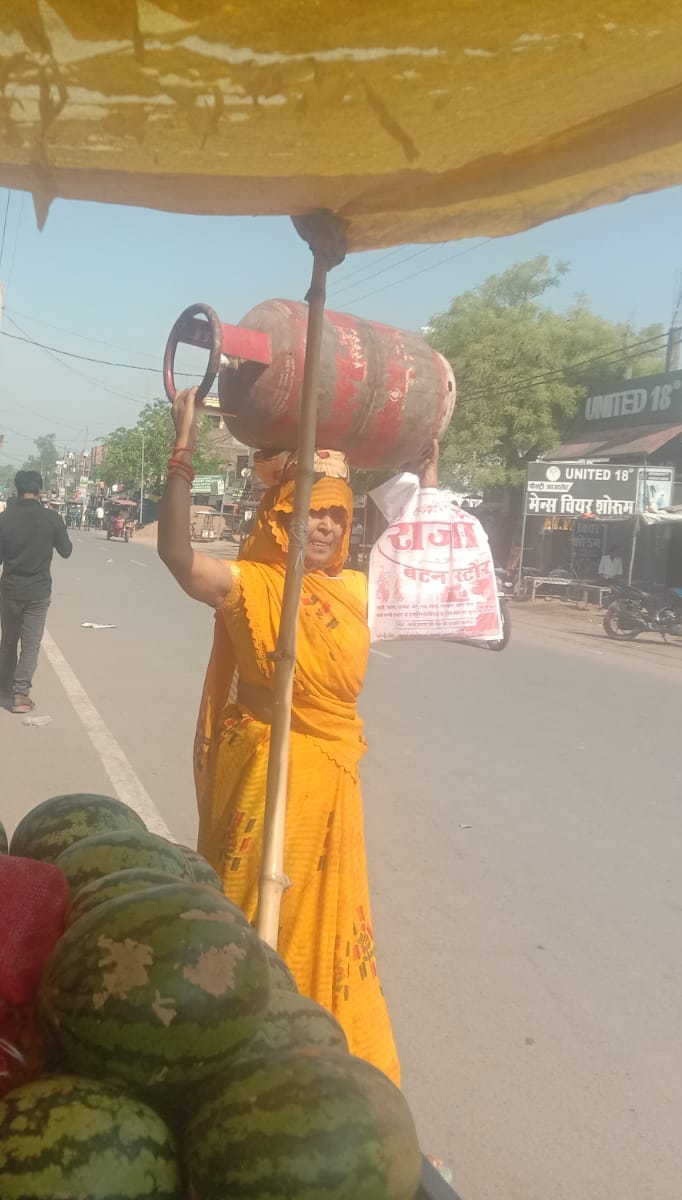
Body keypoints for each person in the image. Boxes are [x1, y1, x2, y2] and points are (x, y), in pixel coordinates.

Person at [156, 387, 416, 1085]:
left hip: (329, 783)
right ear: (279, 516)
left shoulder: (359, 592)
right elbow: (178, 557)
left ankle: (322, 1060)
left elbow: (435, 566)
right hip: (261, 773)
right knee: (247, 915)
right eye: (308, 512)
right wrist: (181, 455)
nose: (323, 527)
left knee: (325, 921)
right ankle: (232, 1064)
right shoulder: (252, 584)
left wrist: (427, 462)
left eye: (334, 515)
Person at [0, 470, 72, 713]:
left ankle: (4, 683)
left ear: (16, 489)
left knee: (9, 639)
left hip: (11, 590)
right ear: (40, 491)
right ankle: (20, 694)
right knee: (30, 644)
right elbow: (66, 551)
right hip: (38, 592)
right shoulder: (52, 518)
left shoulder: (4, 518)